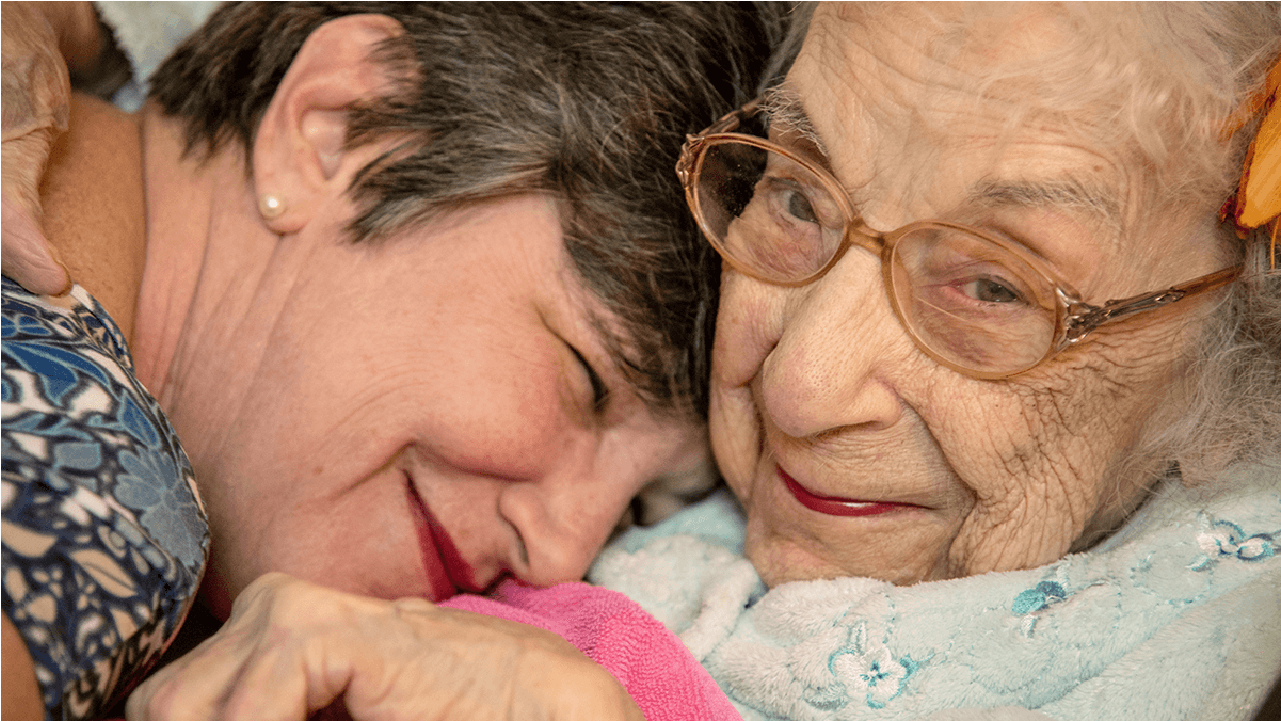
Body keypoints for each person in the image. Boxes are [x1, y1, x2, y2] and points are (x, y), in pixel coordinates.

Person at [1, 3, 786, 719]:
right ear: (342, 123)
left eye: (635, 510)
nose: (560, 553)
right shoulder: (89, 489)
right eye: (585, 376)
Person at [589, 3, 1281, 719]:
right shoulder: (572, 526)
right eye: (797, 200)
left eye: (991, 286)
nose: (799, 386)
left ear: (1249, 356)